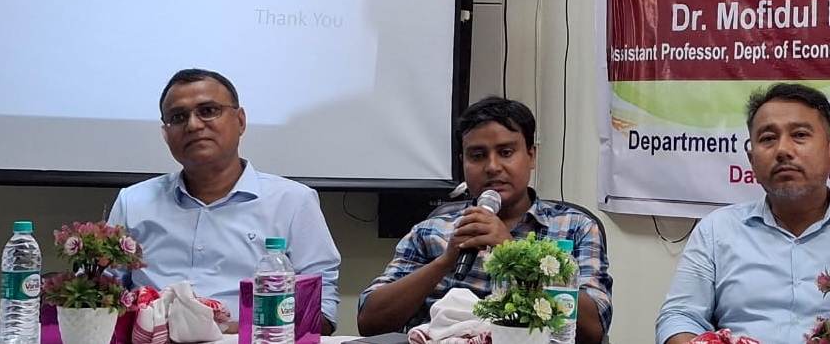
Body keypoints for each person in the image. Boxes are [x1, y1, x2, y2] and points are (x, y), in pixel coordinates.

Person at [655, 83, 830, 344]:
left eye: (800, 135)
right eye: (768, 138)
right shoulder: (717, 230)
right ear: (752, 161)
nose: (783, 150)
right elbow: (680, 316)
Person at [357, 96, 613, 344]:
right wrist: (445, 261)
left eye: (506, 152)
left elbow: (592, 330)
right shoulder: (431, 231)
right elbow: (370, 323)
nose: (492, 167)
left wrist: (514, 255)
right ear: (463, 162)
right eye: (477, 155)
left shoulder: (574, 227)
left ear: (531, 155)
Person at [108, 68, 341, 334]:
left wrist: (229, 330)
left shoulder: (292, 201)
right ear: (165, 133)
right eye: (178, 117)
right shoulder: (133, 202)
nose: (193, 125)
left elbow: (321, 312)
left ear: (240, 121)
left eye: (208, 111)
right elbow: (96, 296)